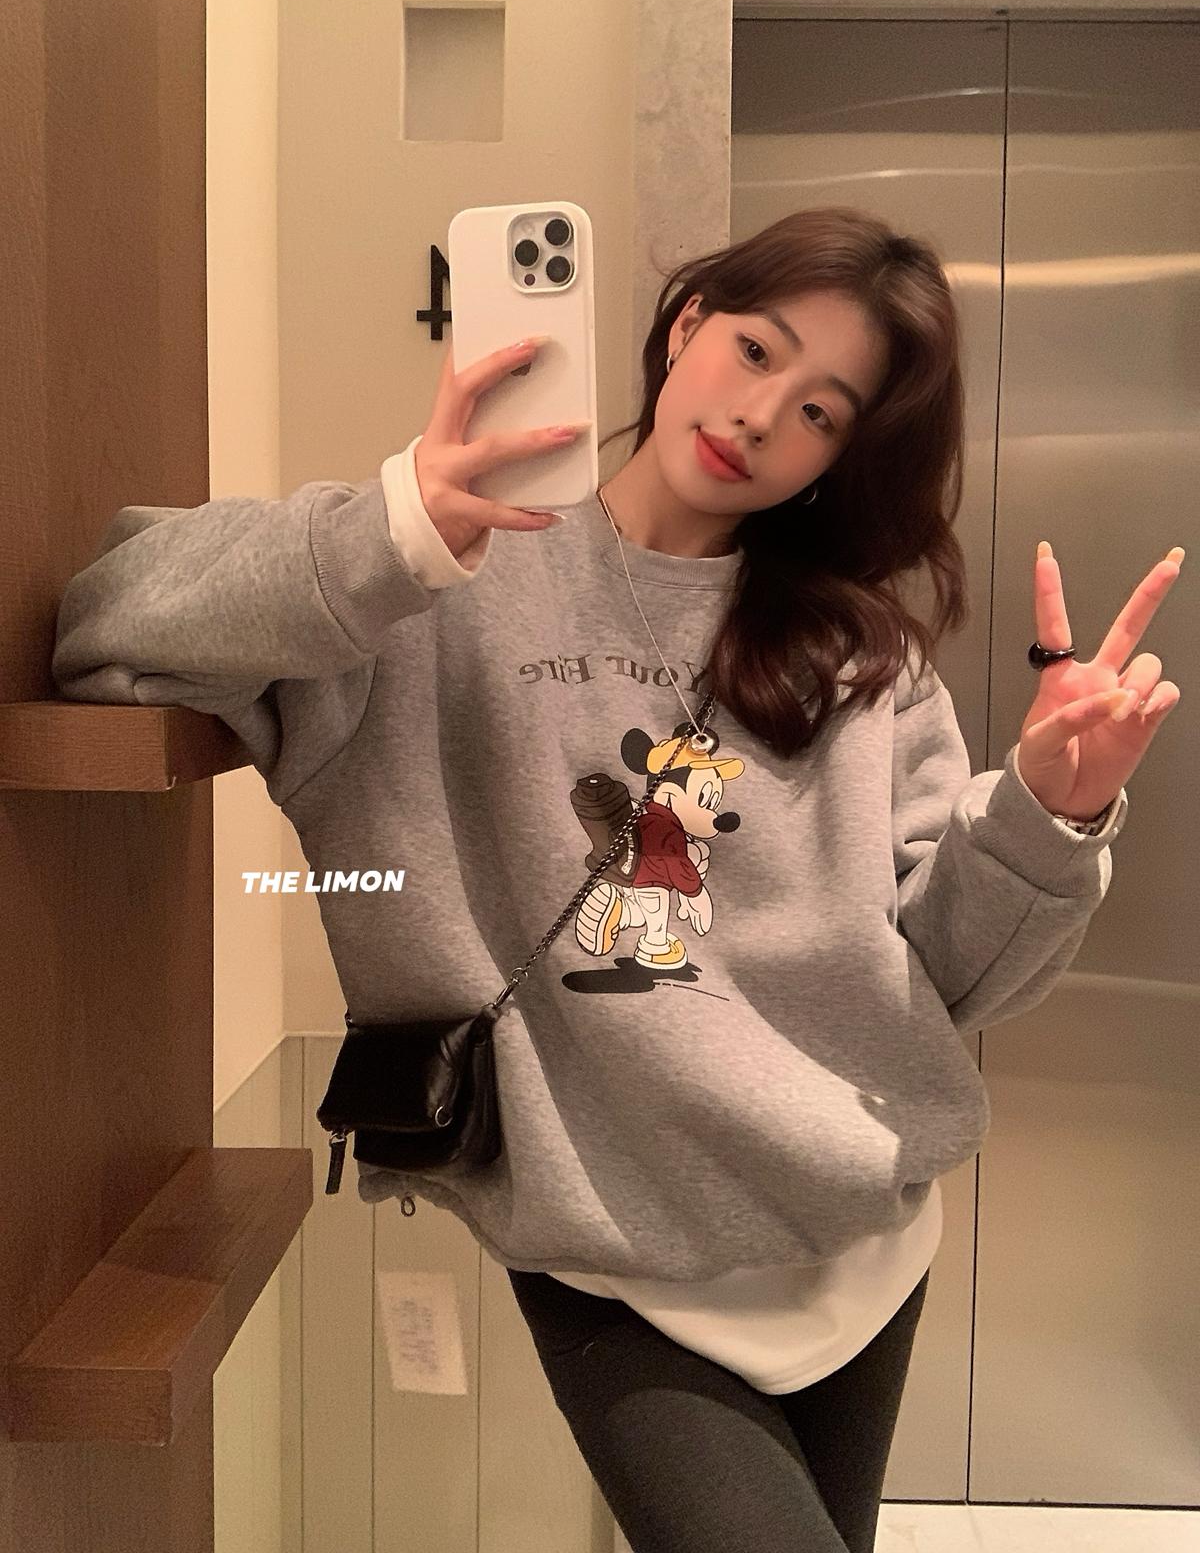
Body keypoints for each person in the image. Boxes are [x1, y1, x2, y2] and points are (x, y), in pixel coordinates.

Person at [51, 207, 1133, 1552]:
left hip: (860, 1234)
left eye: (819, 410)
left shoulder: (864, 659)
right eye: (755, 350)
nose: (759, 415)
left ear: (840, 456)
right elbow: (108, 619)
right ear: (687, 326)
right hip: (610, 1248)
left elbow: (947, 980)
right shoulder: (427, 576)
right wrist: (387, 532)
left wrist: (1050, 813)